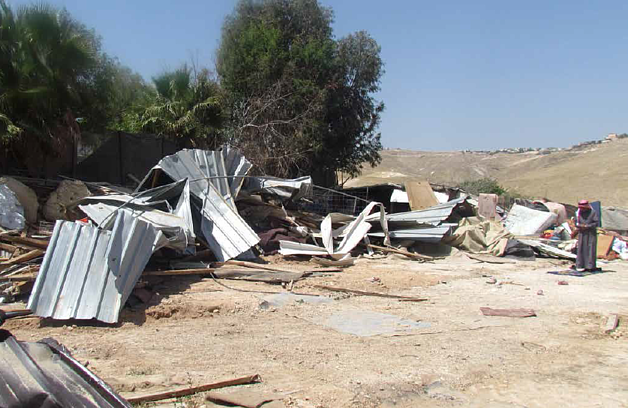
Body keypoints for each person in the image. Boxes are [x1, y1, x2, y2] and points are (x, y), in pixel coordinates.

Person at [574, 199, 599, 271]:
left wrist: (587, 226)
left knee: (590, 249)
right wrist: (579, 226)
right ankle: (581, 265)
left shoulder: (593, 212)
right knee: (581, 248)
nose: (582, 209)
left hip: (590, 234)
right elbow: (576, 221)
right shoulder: (579, 213)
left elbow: (596, 223)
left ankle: (590, 266)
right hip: (582, 233)